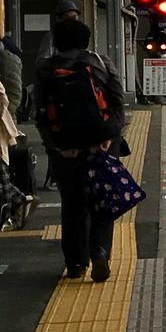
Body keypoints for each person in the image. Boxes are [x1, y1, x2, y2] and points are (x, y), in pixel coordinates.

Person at [34, 15, 127, 281]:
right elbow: (118, 102)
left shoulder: (46, 69)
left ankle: (75, 263)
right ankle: (99, 251)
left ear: (57, 43)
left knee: (73, 203)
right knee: (103, 199)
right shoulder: (100, 63)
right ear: (86, 40)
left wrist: (55, 146)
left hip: (64, 149)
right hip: (102, 144)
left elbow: (40, 112)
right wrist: (109, 138)